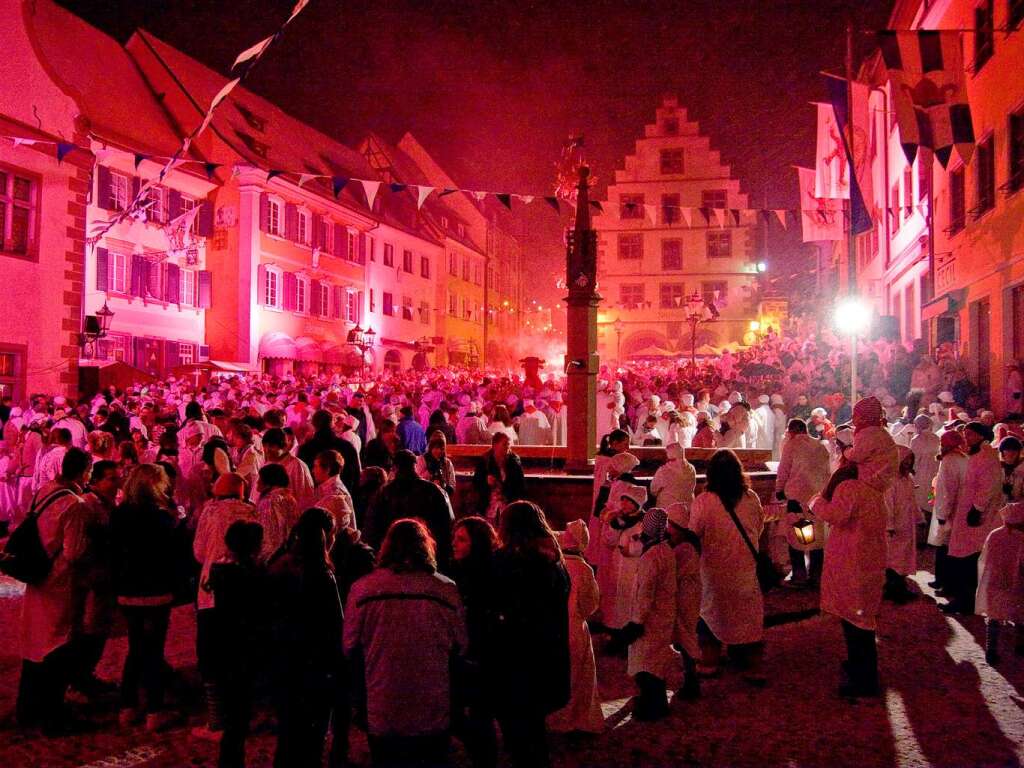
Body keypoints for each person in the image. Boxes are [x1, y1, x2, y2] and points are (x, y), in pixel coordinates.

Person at [344, 518, 466, 768]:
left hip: (383, 698)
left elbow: (349, 644)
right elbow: (462, 644)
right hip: (432, 701)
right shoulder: (446, 590)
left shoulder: (363, 590)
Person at [15, 448, 91, 735]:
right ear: (84, 472)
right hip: (59, 581)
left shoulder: (46, 491)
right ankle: (52, 714)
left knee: (35, 642)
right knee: (58, 645)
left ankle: (28, 708)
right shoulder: (74, 505)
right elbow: (74, 552)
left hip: (37, 575)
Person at [490, 501, 569, 768]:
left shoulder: (508, 562)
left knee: (518, 728)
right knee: (533, 725)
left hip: (516, 655)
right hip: (547, 651)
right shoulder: (554, 561)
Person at [269, 508, 344, 768]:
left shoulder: (280, 563)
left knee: (288, 734)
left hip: (284, 662)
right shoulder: (321, 575)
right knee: (312, 737)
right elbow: (334, 624)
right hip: (314, 667)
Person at [110, 463, 182, 731]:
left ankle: (127, 706)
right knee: (153, 649)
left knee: (136, 647)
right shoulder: (160, 518)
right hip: (155, 591)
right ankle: (154, 709)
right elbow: (172, 555)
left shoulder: (119, 515)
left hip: (128, 590)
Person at [811, 454, 887, 698]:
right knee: (858, 618)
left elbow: (838, 515)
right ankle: (860, 668)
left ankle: (864, 678)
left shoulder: (850, 487)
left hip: (853, 561)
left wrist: (815, 503)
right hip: (866, 559)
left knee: (856, 621)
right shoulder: (873, 489)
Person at [687, 449, 766, 684]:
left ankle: (710, 660)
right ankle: (749, 661)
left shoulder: (704, 501)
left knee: (712, 614)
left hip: (714, 569)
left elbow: (695, 533)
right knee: (746, 615)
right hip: (745, 567)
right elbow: (758, 527)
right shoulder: (751, 498)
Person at [191, 473, 258, 741]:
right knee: (242, 651)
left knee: (211, 654)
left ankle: (217, 720)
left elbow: (198, 550)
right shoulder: (252, 512)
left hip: (212, 590)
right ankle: (244, 714)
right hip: (247, 590)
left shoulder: (211, 512)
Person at [207, 520, 266, 768]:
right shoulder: (250, 576)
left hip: (224, 647)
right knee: (238, 717)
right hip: (243, 650)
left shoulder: (220, 572)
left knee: (234, 715)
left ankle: (230, 758)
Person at [450, 516, 500, 765]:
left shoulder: (485, 574)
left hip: (480, 652)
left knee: (479, 712)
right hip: (464, 649)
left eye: (461, 540)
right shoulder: (457, 570)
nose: (455, 544)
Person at [69, 459, 120, 701]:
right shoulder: (89, 505)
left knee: (100, 627)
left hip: (104, 577)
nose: (115, 483)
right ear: (96, 480)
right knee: (90, 628)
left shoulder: (107, 503)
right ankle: (79, 678)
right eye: (111, 478)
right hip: (92, 578)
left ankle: (85, 675)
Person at [547, 519, 603, 734]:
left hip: (554, 627)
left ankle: (557, 719)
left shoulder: (555, 566)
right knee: (580, 677)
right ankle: (579, 720)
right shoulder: (584, 569)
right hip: (575, 628)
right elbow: (590, 604)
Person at [622, 507, 678, 721]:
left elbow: (645, 593)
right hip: (663, 615)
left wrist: (636, 622)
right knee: (655, 662)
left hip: (650, 619)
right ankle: (655, 702)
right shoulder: (665, 550)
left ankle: (653, 706)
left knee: (646, 665)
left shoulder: (653, 556)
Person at [943, 422, 1004, 615]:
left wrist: (977, 509)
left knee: (969, 559)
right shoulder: (976, 455)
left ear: (980, 436)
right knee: (963, 558)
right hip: (967, 513)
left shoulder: (987, 457)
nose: (966, 437)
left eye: (970, 434)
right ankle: (963, 599)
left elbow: (988, 486)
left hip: (977, 517)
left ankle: (967, 602)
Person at [365, 449, 454, 571]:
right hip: (428, 555)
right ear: (415, 465)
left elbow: (371, 529)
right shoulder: (435, 491)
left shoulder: (383, 493)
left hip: (392, 559)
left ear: (395, 468)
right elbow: (447, 525)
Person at [774, 419, 830, 587]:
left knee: (797, 538)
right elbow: (827, 473)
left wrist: (779, 490)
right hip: (817, 499)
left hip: (796, 498)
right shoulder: (820, 446)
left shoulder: (791, 445)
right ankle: (816, 576)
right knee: (817, 539)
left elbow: (783, 469)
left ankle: (799, 576)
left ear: (791, 431)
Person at [975, 502, 1024, 664]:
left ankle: (991, 650)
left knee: (994, 617)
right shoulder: (1021, 539)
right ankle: (1019, 645)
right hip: (1015, 583)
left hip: (994, 582)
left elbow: (984, 557)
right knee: (1019, 616)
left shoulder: (994, 534)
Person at [666, 502, 701, 700]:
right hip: (687, 595)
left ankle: (691, 679)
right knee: (685, 636)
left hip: (686, 597)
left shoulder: (684, 549)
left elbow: (672, 571)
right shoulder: (686, 544)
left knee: (686, 636)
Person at [928, 430, 968, 593]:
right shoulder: (963, 458)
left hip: (948, 511)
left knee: (944, 548)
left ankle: (944, 583)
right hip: (957, 509)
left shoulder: (949, 460)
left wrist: (942, 515)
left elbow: (946, 490)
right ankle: (944, 582)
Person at [884, 446, 921, 603]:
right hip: (896, 527)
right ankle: (894, 589)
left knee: (903, 557)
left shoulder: (907, 479)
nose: (908, 463)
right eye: (905, 460)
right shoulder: (891, 481)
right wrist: (889, 525)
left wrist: (920, 518)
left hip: (906, 524)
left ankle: (899, 586)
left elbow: (912, 501)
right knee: (894, 558)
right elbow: (888, 505)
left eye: (910, 460)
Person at [299, 410, 360, 498]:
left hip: (314, 500)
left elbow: (302, 478)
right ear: (332, 424)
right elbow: (355, 475)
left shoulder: (306, 448)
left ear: (313, 425)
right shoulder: (346, 446)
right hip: (342, 496)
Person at [472, 432, 526, 526]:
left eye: (509, 444)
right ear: (494, 445)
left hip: (508, 507)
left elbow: (520, 486)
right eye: (504, 444)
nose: (507, 447)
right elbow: (476, 483)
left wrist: (506, 490)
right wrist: (486, 481)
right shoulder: (485, 461)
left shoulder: (514, 461)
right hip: (488, 507)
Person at [254, 463, 299, 563]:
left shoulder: (269, 501)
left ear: (268, 482)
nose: (257, 482)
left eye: (260, 479)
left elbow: (269, 535)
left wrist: (262, 560)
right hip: (287, 555)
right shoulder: (290, 499)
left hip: (272, 558)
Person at [263, 428, 315, 511]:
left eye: (271, 446)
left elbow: (305, 498)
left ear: (283, 446)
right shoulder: (266, 465)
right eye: (264, 446)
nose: (267, 450)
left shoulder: (297, 466)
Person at [312, 449, 357, 532]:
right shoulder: (324, 487)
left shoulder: (336, 493)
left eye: (316, 466)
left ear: (328, 470)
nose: (313, 471)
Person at [649, 442, 696, 509]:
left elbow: (653, 490)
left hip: (667, 510)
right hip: (687, 509)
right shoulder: (692, 468)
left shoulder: (664, 470)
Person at [910, 414, 941, 514]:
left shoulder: (916, 440)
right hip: (935, 471)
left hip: (921, 473)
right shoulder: (936, 438)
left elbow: (914, 460)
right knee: (931, 494)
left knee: (920, 496)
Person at [416, 433, 457, 499]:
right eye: (436, 448)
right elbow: (418, 482)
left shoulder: (447, 463)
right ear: (431, 447)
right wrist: (431, 476)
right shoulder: (422, 460)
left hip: (442, 499)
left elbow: (452, 484)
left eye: (442, 448)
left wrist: (444, 487)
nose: (439, 451)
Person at [998, 436, 1024, 501]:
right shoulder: (996, 468)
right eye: (1007, 449)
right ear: (1002, 452)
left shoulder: (1022, 469)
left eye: (1014, 450)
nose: (1011, 453)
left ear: (1019, 452)